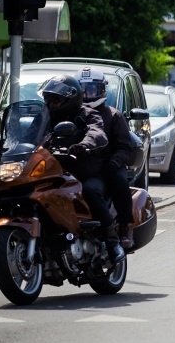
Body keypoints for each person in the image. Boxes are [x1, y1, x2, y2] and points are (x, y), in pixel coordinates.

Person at [38, 75, 121, 263]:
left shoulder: (88, 114)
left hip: (86, 172)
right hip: (55, 171)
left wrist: (84, 145)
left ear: (70, 99)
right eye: (48, 100)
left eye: (56, 100)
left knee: (91, 191)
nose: (51, 104)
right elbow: (28, 133)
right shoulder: (45, 117)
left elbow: (97, 132)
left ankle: (112, 241)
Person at [75, 67, 136, 249]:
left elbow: (126, 147)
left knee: (118, 180)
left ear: (101, 90)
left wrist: (114, 162)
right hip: (80, 166)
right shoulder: (72, 114)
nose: (88, 94)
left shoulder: (113, 115)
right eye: (83, 89)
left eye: (92, 89)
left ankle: (124, 226)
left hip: (106, 168)